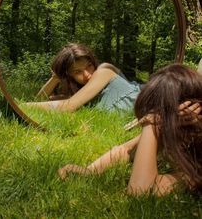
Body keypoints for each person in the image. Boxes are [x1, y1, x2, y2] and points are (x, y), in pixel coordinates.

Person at [58, 64, 202, 196]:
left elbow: (141, 191)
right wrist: (90, 171)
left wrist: (152, 125)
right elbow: (126, 150)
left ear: (191, 110)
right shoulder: (181, 129)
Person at [27, 42, 141, 112]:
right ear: (69, 76)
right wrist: (56, 77)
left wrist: (22, 106)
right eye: (77, 72)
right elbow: (40, 100)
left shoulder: (103, 71)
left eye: (89, 66)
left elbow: (68, 107)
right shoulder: (78, 95)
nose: (87, 74)